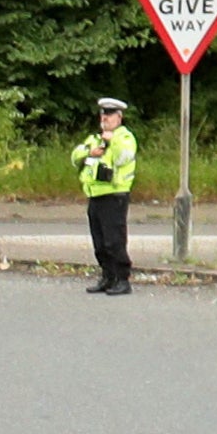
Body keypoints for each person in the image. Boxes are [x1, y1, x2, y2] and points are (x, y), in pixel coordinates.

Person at [75, 96, 138, 295]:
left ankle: (122, 279)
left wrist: (111, 143)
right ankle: (107, 276)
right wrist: (89, 151)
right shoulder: (94, 139)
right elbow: (75, 155)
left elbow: (123, 158)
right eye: (103, 114)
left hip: (114, 195)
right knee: (99, 241)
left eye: (109, 115)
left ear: (119, 117)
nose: (105, 118)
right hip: (95, 194)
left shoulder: (125, 138)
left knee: (114, 240)